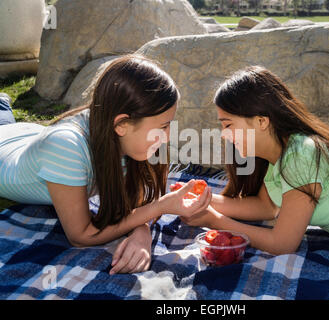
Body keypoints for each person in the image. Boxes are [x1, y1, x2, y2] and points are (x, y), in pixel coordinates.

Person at [0, 55, 212, 274]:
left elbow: (136, 207)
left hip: (26, 135)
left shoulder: (122, 133)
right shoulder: (65, 147)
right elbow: (81, 236)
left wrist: (142, 233)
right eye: (163, 126)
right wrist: (161, 206)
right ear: (122, 124)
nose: (166, 137)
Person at [181, 65, 329, 253]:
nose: (223, 134)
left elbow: (283, 244)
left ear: (261, 122)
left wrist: (214, 221)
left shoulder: (302, 155)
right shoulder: (281, 153)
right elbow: (266, 206)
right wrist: (201, 199)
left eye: (228, 124)